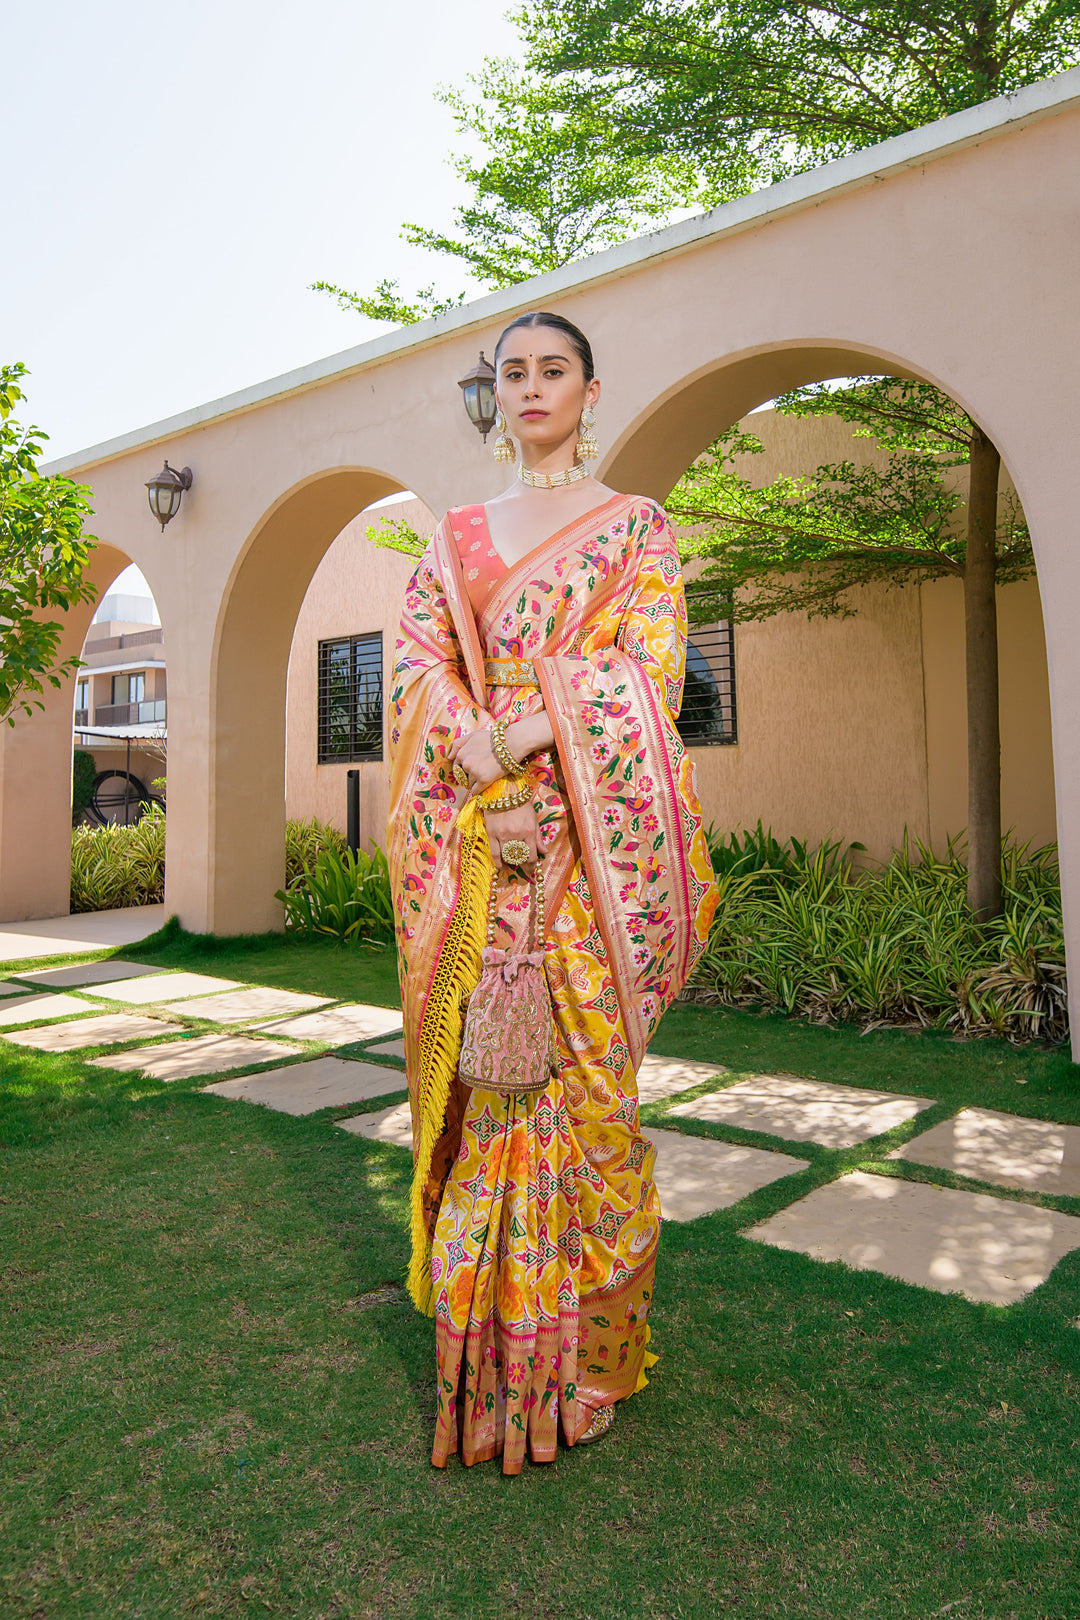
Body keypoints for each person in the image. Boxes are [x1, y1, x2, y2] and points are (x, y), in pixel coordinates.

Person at [387, 310, 719, 1474]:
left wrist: (525, 734)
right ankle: (492, 1348)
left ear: (589, 389)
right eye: (510, 373)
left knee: (598, 1106)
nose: (530, 388)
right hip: (490, 851)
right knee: (494, 1089)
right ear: (497, 394)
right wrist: (481, 770)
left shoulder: (635, 529)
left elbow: (650, 674)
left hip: (588, 858)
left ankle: (596, 1355)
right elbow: (420, 669)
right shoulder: (457, 537)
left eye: (552, 371)